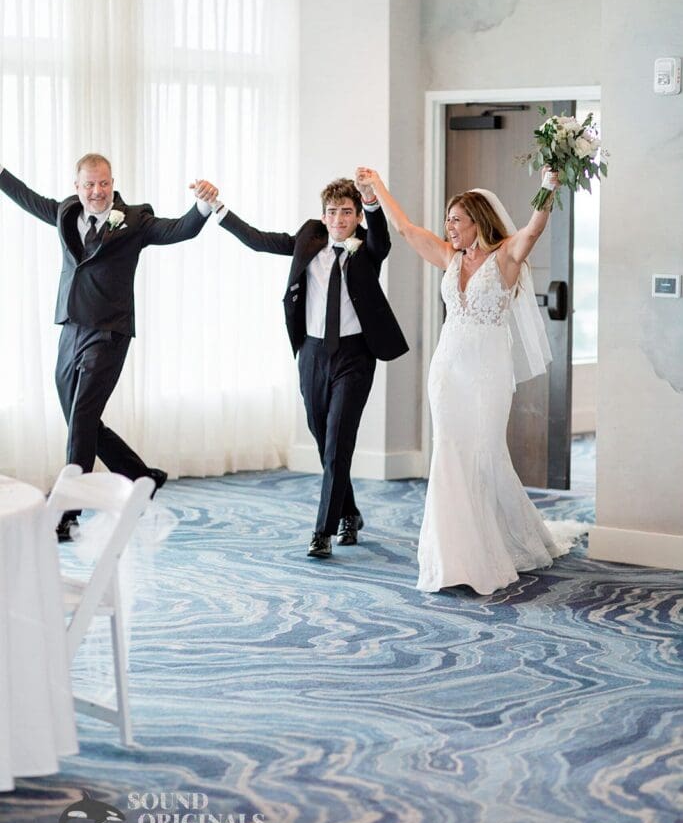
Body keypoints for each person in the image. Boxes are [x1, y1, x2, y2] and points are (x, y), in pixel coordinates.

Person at [356, 165, 578, 595]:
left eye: (457, 219)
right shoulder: (448, 256)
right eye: (447, 220)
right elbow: (403, 228)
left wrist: (547, 188)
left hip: (488, 374)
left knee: (483, 454)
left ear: (479, 220)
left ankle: (491, 546)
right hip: (447, 370)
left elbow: (533, 230)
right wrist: (377, 184)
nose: (449, 227)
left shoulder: (506, 257)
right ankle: (452, 554)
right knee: (449, 455)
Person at [0, 154, 218, 539]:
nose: (97, 192)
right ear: (77, 187)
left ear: (112, 182)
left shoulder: (133, 221)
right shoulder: (67, 213)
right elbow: (26, 197)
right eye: (90, 185)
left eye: (104, 184)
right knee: (78, 417)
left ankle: (67, 512)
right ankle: (140, 475)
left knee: (82, 415)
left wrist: (201, 205)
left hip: (109, 332)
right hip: (71, 327)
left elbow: (180, 229)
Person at [209, 177, 408, 558]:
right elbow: (258, 239)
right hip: (313, 354)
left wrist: (371, 201)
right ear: (323, 215)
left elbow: (382, 235)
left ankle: (323, 532)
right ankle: (349, 511)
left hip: (355, 355)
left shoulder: (369, 246)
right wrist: (219, 208)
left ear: (356, 216)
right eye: (332, 212)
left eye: (346, 212)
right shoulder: (309, 240)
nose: (338, 219)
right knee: (323, 438)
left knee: (338, 440)